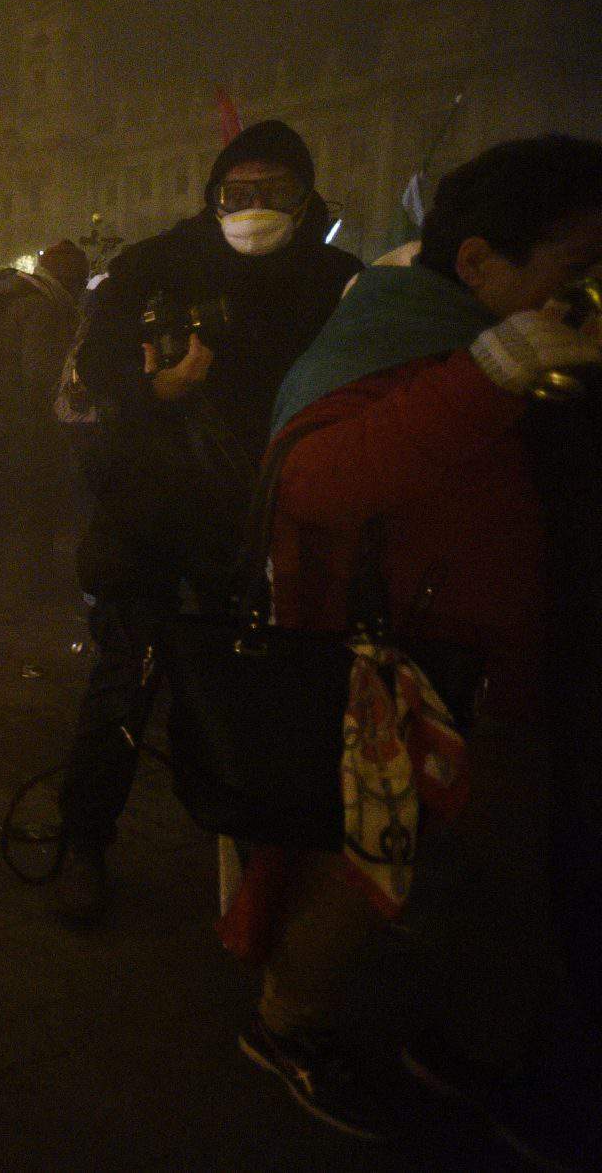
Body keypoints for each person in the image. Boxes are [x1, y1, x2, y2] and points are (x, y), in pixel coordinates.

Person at [222, 136, 602, 1159]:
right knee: (362, 866)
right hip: (399, 676)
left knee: (499, 885)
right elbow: (314, 479)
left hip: (502, 671)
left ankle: (472, 1051)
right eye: (575, 266)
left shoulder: (506, 333)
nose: (587, 292)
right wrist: (493, 370)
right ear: (477, 263)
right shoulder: (397, 331)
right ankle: (291, 1025)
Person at [52, 120, 361, 923]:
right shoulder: (157, 264)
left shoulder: (335, 278)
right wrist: (158, 388)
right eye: (239, 193)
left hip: (266, 518)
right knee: (127, 676)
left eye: (275, 193)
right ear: (215, 196)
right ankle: (83, 838)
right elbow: (96, 363)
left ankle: (255, 852)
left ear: (305, 198)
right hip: (150, 510)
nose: (254, 208)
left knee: (252, 692)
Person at [0, 240, 89, 618]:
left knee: (23, 503)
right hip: (17, 423)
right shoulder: (43, 309)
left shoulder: (21, 300)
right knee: (8, 503)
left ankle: (28, 585)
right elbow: (39, 376)